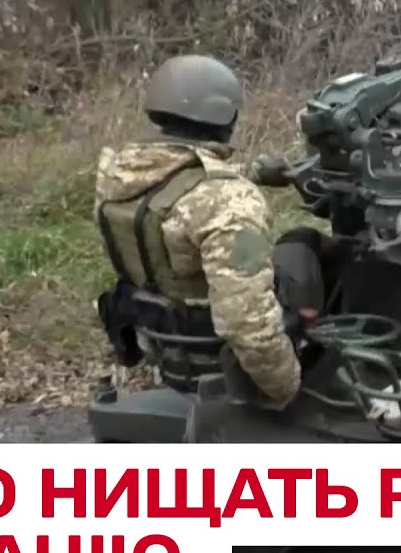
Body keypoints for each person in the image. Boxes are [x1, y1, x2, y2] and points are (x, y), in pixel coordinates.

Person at [92, 54, 328, 411]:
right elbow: (248, 323)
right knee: (301, 245)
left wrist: (255, 172)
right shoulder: (228, 201)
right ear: (225, 116)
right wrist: (287, 389)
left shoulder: (117, 175)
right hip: (216, 360)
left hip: (162, 341)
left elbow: (177, 187)